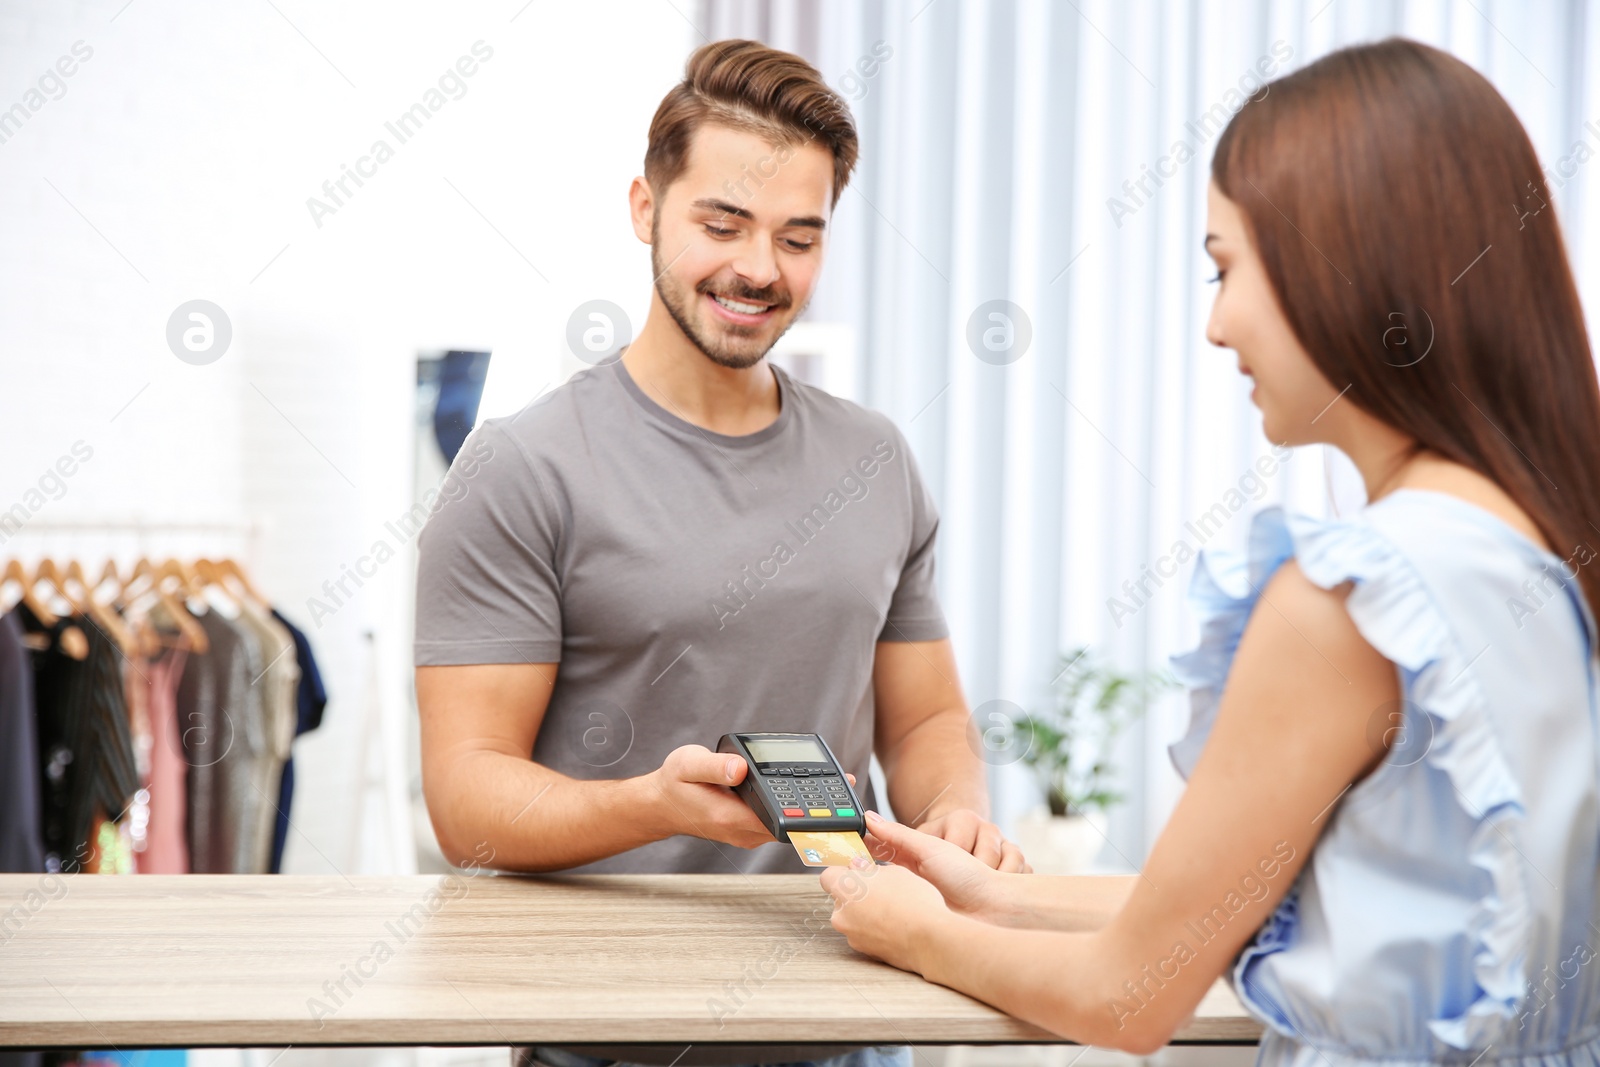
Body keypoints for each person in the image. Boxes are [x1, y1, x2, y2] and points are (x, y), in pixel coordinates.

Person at [821, 37, 1600, 1065]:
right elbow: (1267, 908)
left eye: (1225, 268)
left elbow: (1128, 995)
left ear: (1352, 263)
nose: (1216, 324)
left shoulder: (1350, 598)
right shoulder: (1532, 543)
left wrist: (912, 930)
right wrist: (997, 894)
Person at [414, 38, 1025, 1067]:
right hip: (605, 1035)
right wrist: (645, 802)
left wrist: (956, 809)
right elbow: (467, 795)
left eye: (799, 237)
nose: (758, 268)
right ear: (646, 207)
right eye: (723, 223)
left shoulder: (874, 458)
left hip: (852, 1023)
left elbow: (924, 717)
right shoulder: (520, 466)